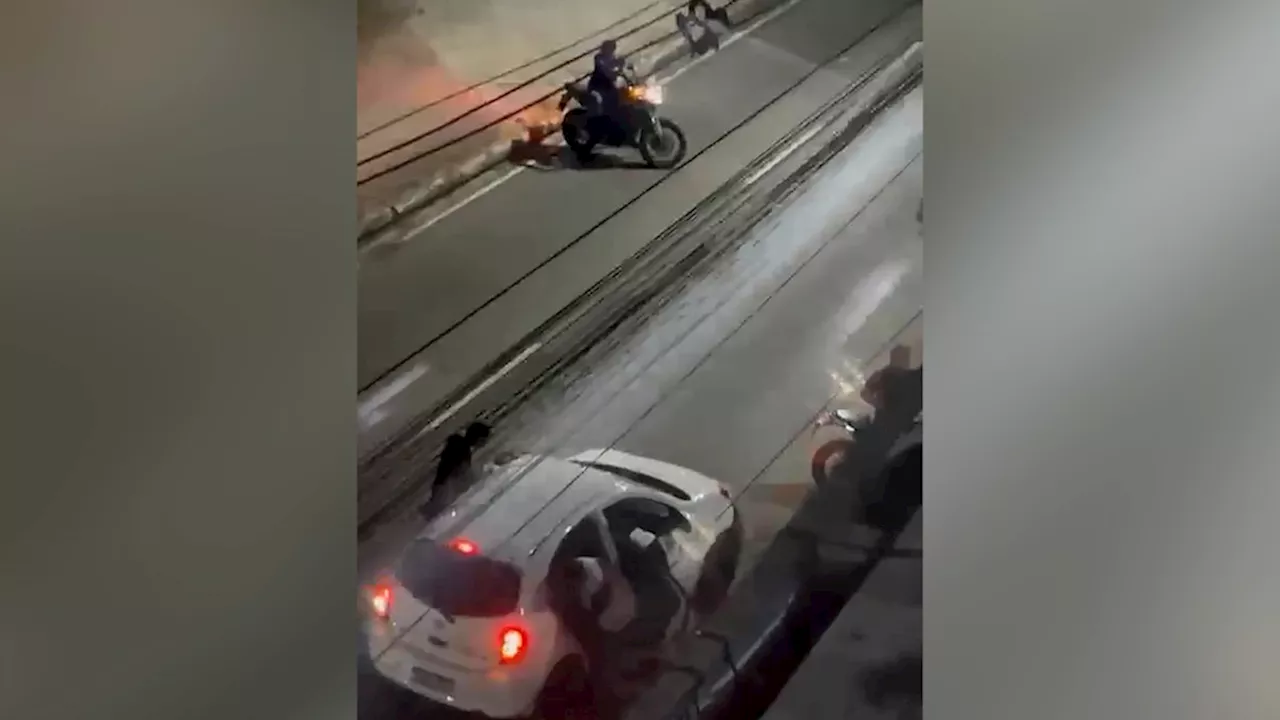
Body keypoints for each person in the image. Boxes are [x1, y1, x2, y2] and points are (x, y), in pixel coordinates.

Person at [418, 421, 491, 520]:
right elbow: (461, 473)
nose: (485, 442)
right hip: (445, 489)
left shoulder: (458, 445)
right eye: (484, 439)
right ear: (479, 439)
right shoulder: (463, 450)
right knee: (437, 517)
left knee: (433, 515)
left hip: (441, 485)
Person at [588, 39, 627, 119]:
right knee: (599, 101)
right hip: (597, 85)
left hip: (608, 86)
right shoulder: (599, 57)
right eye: (608, 48)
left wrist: (621, 66)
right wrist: (617, 66)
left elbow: (617, 70)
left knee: (621, 97)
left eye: (612, 49)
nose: (610, 51)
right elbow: (605, 68)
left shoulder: (612, 58)